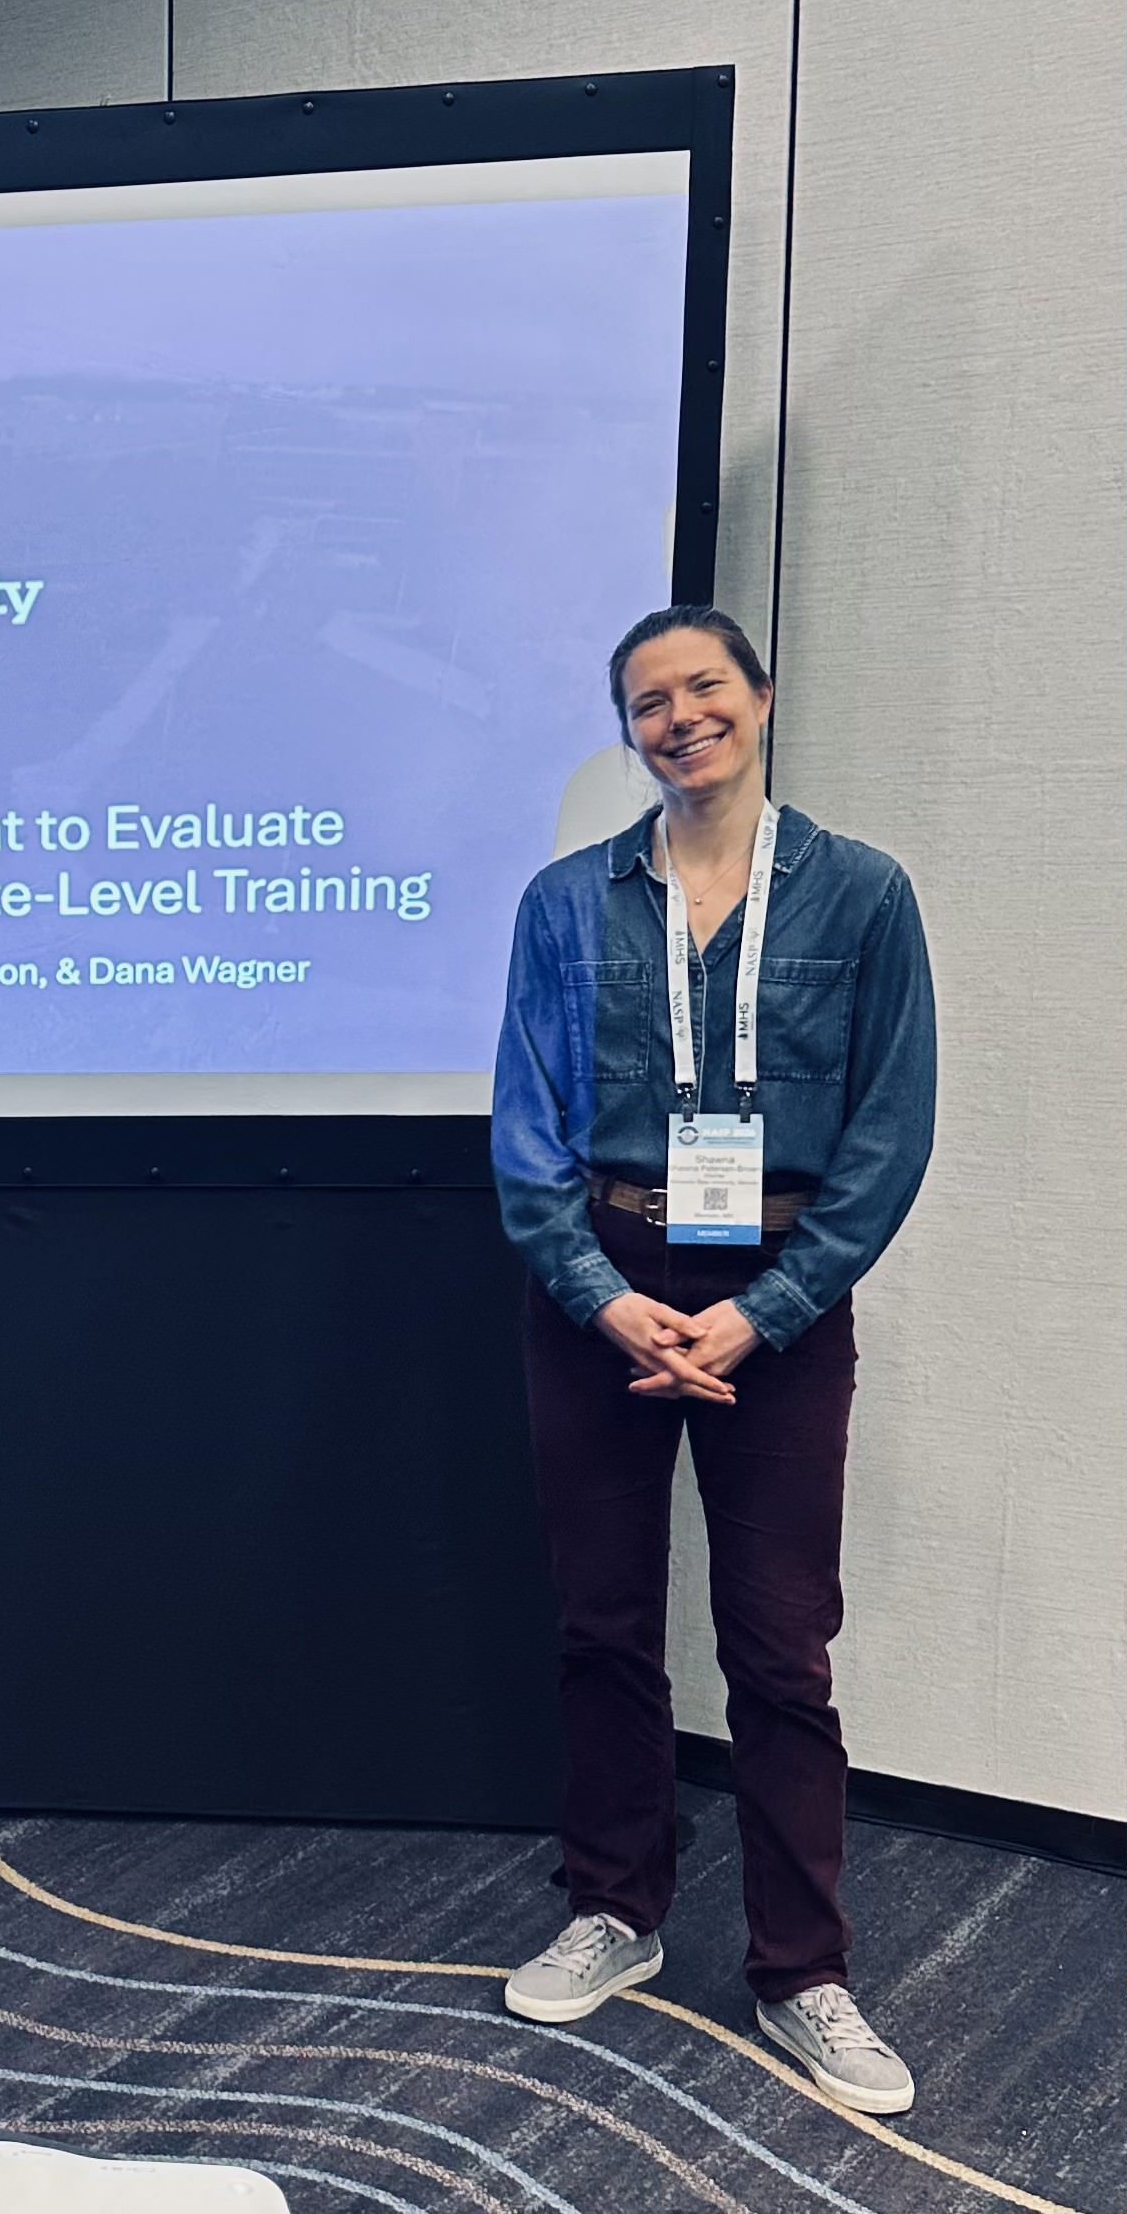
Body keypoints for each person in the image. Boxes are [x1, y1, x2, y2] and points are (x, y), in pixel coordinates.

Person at [489, 607, 935, 2113]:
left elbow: (885, 1135)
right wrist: (599, 1295)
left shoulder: (861, 895)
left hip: (775, 1295)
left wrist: (767, 1308)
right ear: (625, 734)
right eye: (645, 702)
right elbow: (527, 1124)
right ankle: (614, 1910)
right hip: (602, 1285)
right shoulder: (565, 903)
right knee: (601, 1622)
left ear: (757, 696)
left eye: (702, 688)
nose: (678, 717)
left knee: (777, 1646)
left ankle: (802, 1973)